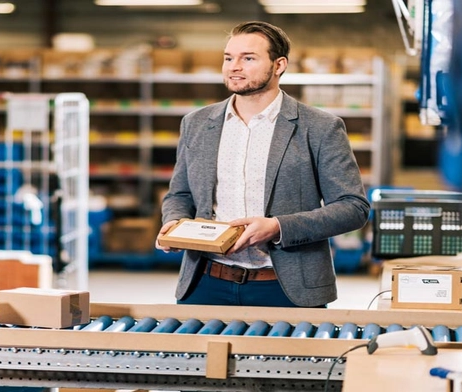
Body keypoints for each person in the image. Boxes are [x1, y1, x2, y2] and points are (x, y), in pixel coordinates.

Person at [155, 21, 371, 308]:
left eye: (248, 58)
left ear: (279, 65)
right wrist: (174, 223)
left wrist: (277, 227)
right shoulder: (196, 124)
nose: (234, 67)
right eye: (228, 58)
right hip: (206, 282)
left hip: (285, 287)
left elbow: (353, 207)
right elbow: (180, 194)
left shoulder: (320, 127)